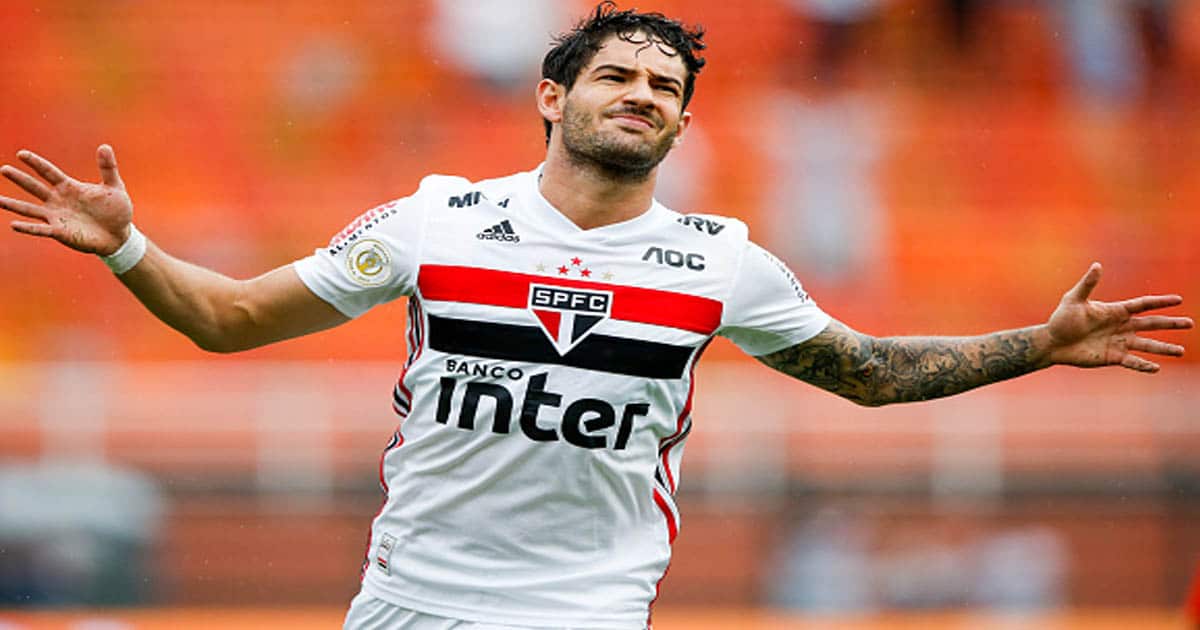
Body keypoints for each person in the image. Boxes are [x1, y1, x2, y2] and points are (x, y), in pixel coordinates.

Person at [0, 3, 1191, 629]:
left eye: (666, 90)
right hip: (408, 597)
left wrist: (1039, 345)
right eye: (620, 74)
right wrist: (131, 250)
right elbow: (226, 319)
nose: (644, 95)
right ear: (552, 94)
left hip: (583, 611)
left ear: (680, 130)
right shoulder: (435, 222)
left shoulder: (720, 261)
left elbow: (868, 372)